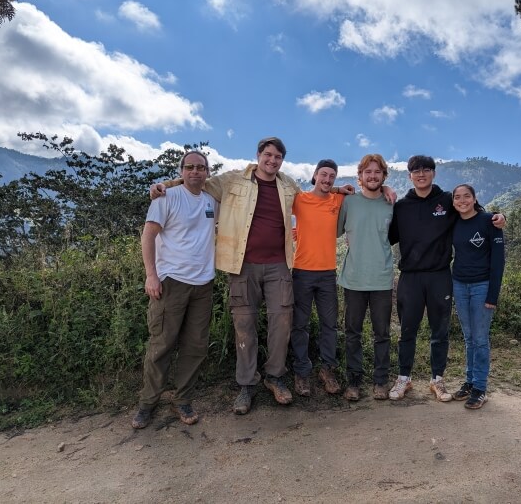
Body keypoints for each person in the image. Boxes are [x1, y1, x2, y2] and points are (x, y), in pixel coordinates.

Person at [152, 138, 303, 414]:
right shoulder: (234, 180)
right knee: (244, 325)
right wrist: (165, 185)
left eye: (277, 156)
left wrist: (341, 188)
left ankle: (275, 377)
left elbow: (311, 202)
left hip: (279, 265)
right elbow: (197, 181)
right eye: (267, 154)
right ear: (258, 155)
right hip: (241, 265)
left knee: (282, 323)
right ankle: (246, 385)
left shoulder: (289, 185)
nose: (272, 160)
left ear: (282, 160)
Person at [387, 156, 505, 403]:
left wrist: (497, 216)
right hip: (410, 277)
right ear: (409, 175)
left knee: (439, 332)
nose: (421, 174)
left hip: (440, 275)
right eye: (416, 171)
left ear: (433, 173)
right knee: (407, 330)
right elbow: (386, 236)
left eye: (426, 170)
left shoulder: (446, 201)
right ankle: (403, 378)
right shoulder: (401, 207)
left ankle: (437, 379)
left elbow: (471, 213)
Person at [132, 150, 217, 429]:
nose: (195, 171)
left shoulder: (211, 201)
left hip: (203, 284)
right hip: (171, 282)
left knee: (195, 347)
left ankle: (182, 399)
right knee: (162, 345)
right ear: (181, 171)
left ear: (207, 172)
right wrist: (151, 276)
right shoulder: (166, 198)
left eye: (201, 167)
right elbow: (149, 235)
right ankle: (147, 403)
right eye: (190, 167)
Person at [336, 154, 394, 401]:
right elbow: (335, 230)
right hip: (354, 279)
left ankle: (381, 381)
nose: (372, 176)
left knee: (382, 333)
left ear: (383, 176)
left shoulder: (391, 203)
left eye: (377, 172)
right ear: (359, 176)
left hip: (381, 278)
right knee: (353, 333)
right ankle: (354, 381)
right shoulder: (348, 203)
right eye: (367, 172)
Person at [290, 159, 344, 396]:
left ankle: (327, 370)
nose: (327, 179)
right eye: (324, 174)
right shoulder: (299, 199)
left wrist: (386, 188)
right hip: (301, 271)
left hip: (327, 273)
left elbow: (366, 190)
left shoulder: (338, 199)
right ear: (314, 175)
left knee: (329, 325)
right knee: (299, 325)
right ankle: (301, 372)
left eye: (332, 176)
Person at [451, 183, 505, 409]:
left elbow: (498, 260)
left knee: (481, 339)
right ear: (453, 201)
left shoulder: (489, 221)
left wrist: (493, 295)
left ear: (474, 198)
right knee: (469, 337)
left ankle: (480, 387)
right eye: (457, 197)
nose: (462, 201)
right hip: (459, 285)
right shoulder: (452, 222)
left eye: (466, 196)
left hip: (482, 286)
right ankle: (470, 382)